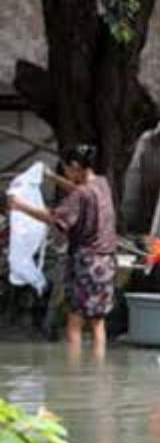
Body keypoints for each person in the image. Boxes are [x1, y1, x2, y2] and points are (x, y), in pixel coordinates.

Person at [7, 145, 117, 359]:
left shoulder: (82, 194)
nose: (66, 173)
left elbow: (55, 217)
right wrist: (53, 177)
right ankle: (97, 376)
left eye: (66, 169)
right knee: (97, 323)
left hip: (87, 263)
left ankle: (74, 376)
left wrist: (20, 206)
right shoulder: (102, 184)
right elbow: (79, 192)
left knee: (75, 321)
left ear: (75, 166)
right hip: (107, 262)